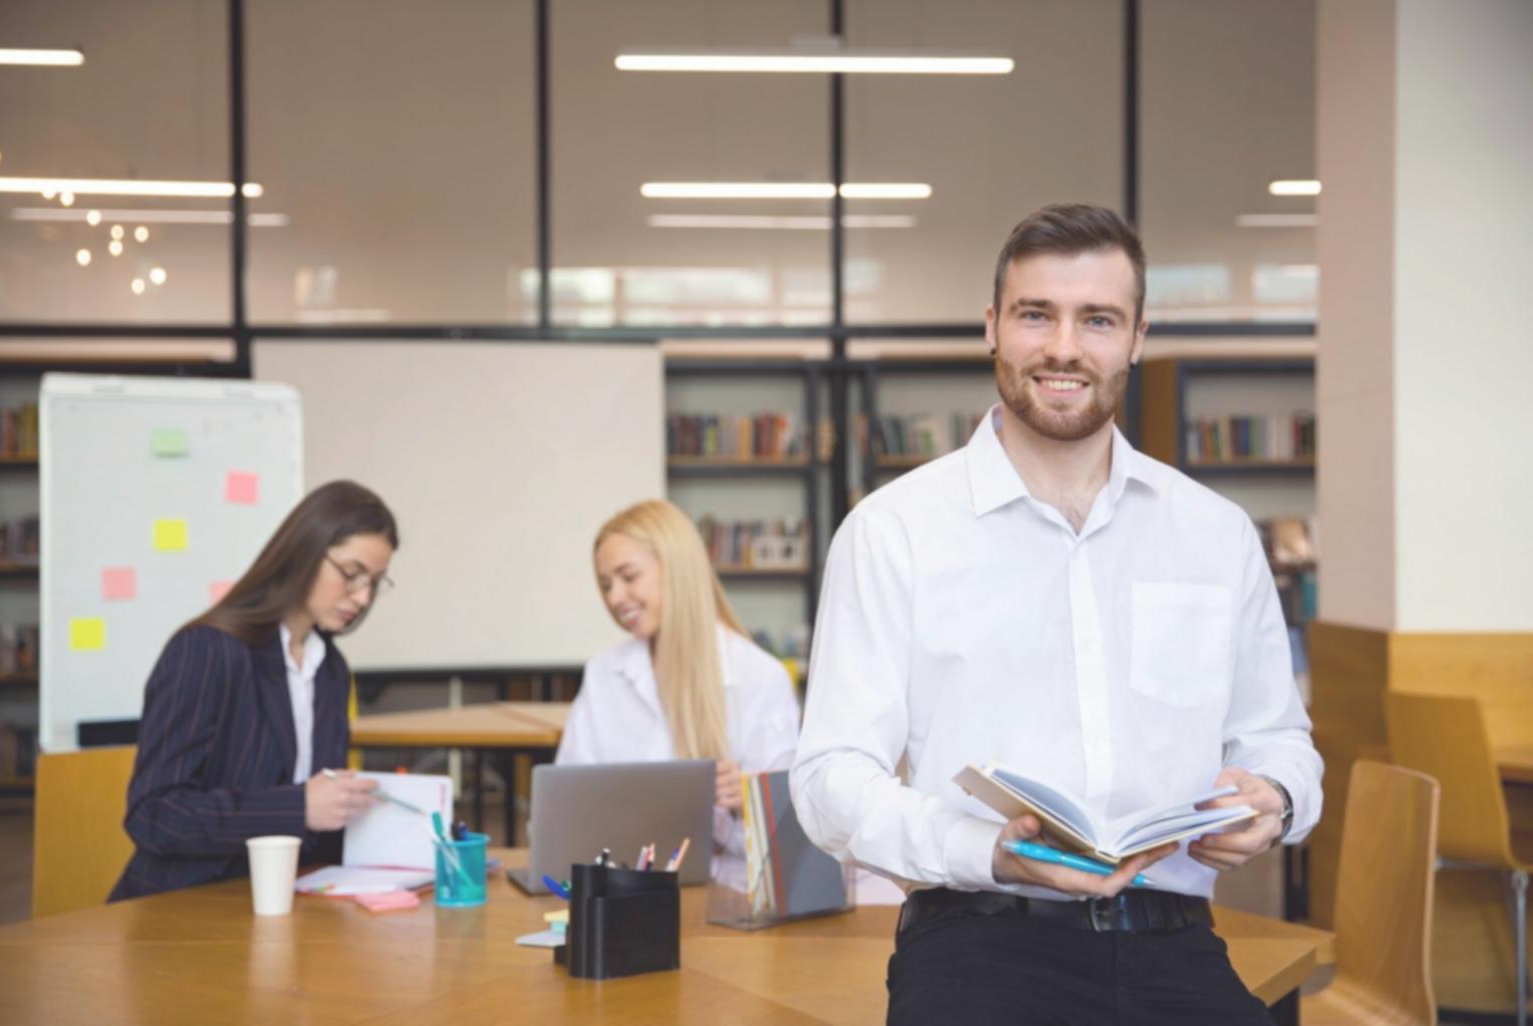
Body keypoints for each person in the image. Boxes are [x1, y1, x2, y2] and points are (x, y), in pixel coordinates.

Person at [791, 204, 1323, 1025]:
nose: (1064, 347)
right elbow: (829, 779)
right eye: (1035, 314)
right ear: (992, 328)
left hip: (1172, 940)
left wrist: (1276, 800)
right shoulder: (892, 531)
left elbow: (1280, 737)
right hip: (974, 942)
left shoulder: (1211, 532)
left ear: (1137, 337)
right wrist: (988, 852)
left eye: (1097, 319)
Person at [110, 480, 399, 901]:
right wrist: (299, 807)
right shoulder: (206, 650)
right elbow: (155, 815)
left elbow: (317, 821)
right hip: (185, 907)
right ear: (303, 551)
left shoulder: (330, 669)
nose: (363, 596)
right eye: (351, 574)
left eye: (375, 582)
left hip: (281, 903)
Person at [556, 499, 800, 856]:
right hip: (624, 883)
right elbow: (566, 802)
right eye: (606, 584)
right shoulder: (604, 673)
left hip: (726, 894)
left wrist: (748, 802)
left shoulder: (761, 677)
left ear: (677, 568)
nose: (615, 597)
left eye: (629, 577)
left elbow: (791, 841)